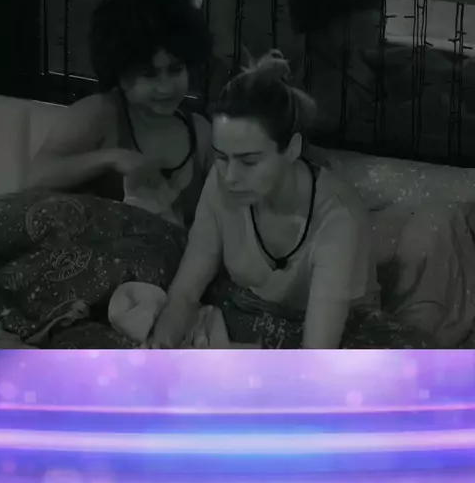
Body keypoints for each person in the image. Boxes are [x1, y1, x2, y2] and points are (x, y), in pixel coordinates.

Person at [148, 51, 434, 349]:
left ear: (292, 149)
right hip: (246, 310)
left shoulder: (338, 217)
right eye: (222, 157)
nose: (230, 176)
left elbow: (317, 351)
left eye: (249, 161)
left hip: (338, 331)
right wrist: (161, 344)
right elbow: (185, 291)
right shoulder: (221, 184)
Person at [28, 0, 212, 229]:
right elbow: (35, 178)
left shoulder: (201, 132)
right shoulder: (98, 113)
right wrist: (111, 158)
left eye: (175, 70)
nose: (166, 87)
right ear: (121, 76)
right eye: (149, 75)